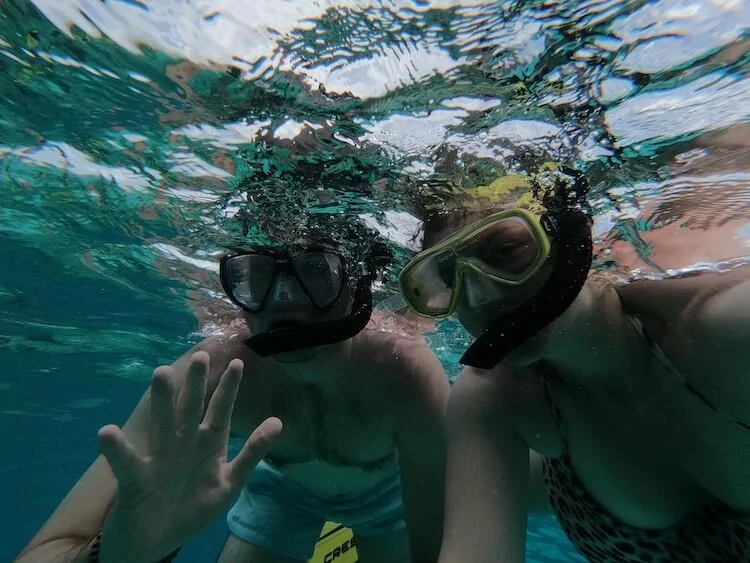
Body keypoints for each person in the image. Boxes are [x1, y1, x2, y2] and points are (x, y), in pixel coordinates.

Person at [16, 221, 448, 563]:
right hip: (284, 492)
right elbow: (45, 551)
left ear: (359, 287)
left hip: (385, 498)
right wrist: (115, 556)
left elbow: (437, 546)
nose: (284, 302)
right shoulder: (214, 371)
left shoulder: (405, 373)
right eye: (254, 277)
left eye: (316, 271)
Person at [398, 167, 750, 562]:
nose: (480, 297)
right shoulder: (492, 397)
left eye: (508, 251)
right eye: (449, 277)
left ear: (573, 236)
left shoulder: (723, 329)